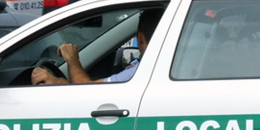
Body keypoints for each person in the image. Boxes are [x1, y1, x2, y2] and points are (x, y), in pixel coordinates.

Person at [32, 7, 164, 86]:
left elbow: (89, 92)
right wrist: (59, 82)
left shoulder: (142, 70)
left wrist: (72, 60)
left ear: (140, 38)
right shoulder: (156, 67)